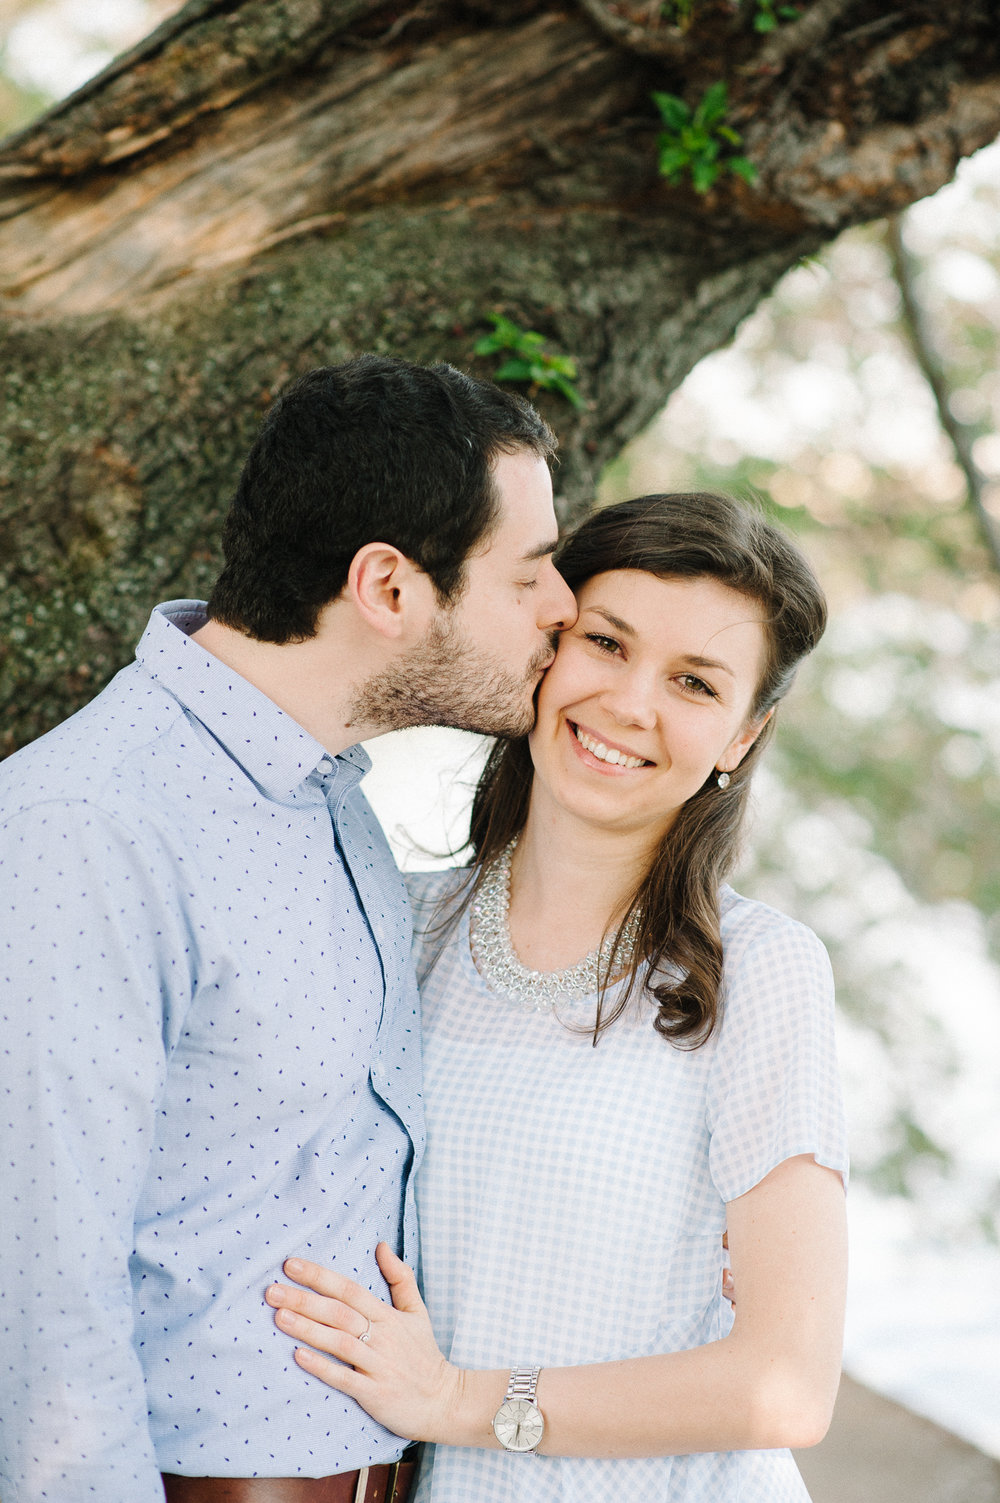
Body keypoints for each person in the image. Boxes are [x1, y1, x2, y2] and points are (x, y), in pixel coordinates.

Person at [0, 355, 577, 1503]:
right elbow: (38, 1290)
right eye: (530, 575)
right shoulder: (91, 828)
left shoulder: (331, 801)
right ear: (389, 588)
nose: (565, 607)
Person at [264, 491, 850, 1502]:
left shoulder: (759, 970)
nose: (631, 704)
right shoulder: (389, 926)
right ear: (543, 648)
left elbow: (786, 1386)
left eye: (695, 684)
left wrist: (456, 1400)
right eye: (606, 642)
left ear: (740, 740)